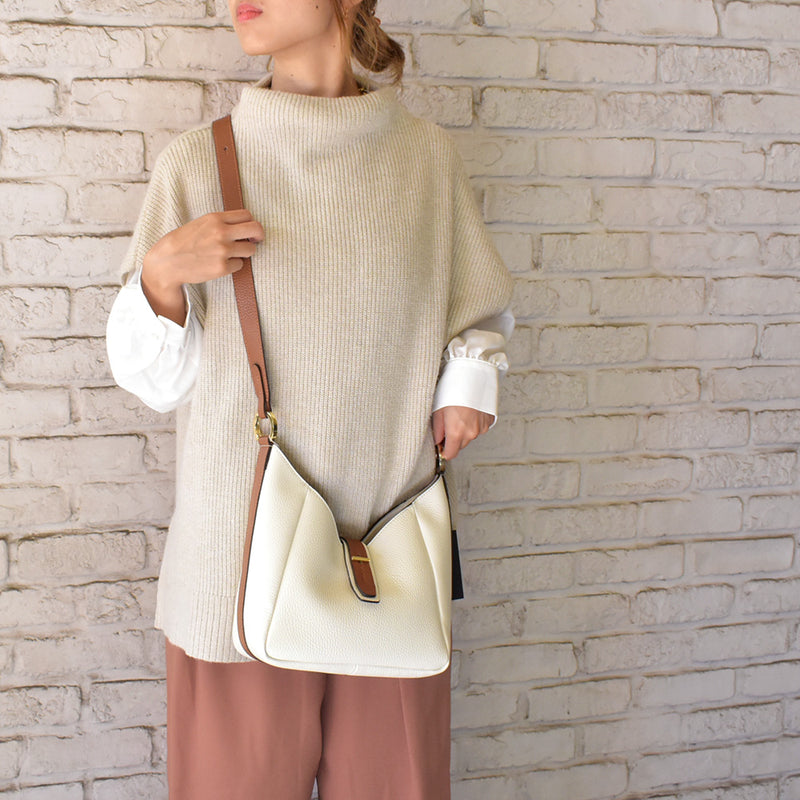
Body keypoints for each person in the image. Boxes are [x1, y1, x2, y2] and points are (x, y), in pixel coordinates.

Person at [105, 0, 515, 797]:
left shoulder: (427, 160)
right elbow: (154, 383)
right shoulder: (199, 163)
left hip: (390, 553)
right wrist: (160, 278)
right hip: (233, 568)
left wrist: (469, 385)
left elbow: (478, 309)